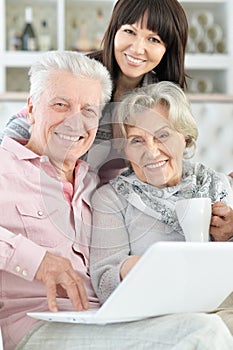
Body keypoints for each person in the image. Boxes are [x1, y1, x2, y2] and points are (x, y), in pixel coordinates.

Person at [1, 53, 233, 350]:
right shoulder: (5, 167)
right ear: (31, 109)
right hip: (41, 326)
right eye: (61, 105)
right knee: (202, 332)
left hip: (111, 318)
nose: (75, 121)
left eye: (88, 110)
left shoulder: (94, 179)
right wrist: (35, 260)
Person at [90, 81, 233, 347]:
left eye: (163, 135)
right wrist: (135, 268)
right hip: (161, 319)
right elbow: (103, 281)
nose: (151, 151)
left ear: (185, 136)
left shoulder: (220, 187)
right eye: (136, 140)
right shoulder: (111, 199)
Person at [0, 0, 188, 158]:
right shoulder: (83, 74)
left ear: (168, 49)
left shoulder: (163, 99)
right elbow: (26, 124)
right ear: (114, 31)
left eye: (154, 39)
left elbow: (174, 164)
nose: (138, 49)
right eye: (130, 31)